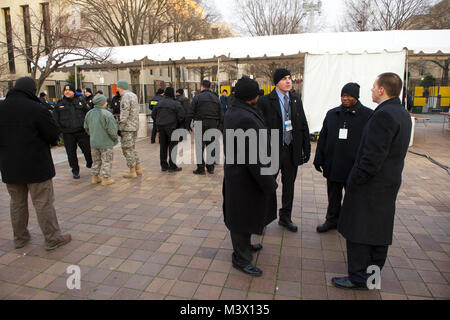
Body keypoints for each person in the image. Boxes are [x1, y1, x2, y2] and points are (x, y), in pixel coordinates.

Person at [332, 73, 412, 290]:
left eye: (373, 87)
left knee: (360, 231)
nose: (371, 90)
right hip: (388, 184)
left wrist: (355, 181)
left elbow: (372, 156)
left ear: (382, 90)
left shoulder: (383, 115)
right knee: (379, 232)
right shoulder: (402, 113)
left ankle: (358, 277)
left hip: (370, 186)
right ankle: (373, 277)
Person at [0, 77, 71, 250]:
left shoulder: (1, 108)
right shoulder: (36, 109)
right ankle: (52, 238)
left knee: (17, 203)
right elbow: (53, 134)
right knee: (43, 202)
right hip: (36, 165)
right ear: (31, 90)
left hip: (10, 166)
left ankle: (20, 238)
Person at [223, 76, 278, 276]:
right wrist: (268, 181)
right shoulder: (244, 117)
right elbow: (253, 156)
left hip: (241, 174)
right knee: (240, 217)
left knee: (244, 214)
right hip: (245, 176)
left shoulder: (237, 110)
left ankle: (245, 246)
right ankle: (241, 258)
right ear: (251, 97)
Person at [314, 83, 373, 233]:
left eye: (349, 96)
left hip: (354, 165)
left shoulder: (368, 115)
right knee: (333, 195)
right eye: (343, 95)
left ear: (356, 97)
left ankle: (350, 222)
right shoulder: (332, 114)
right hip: (334, 163)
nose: (345, 98)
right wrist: (319, 157)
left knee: (353, 196)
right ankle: (332, 219)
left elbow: (370, 142)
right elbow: (323, 137)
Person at [257, 68, 311, 233]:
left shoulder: (295, 99)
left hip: (291, 150)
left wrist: (306, 147)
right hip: (272, 150)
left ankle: (285, 217)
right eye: (284, 79)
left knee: (289, 185)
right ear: (276, 82)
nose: (288, 81)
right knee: (267, 184)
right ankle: (263, 219)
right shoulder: (265, 101)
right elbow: (260, 127)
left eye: (290, 78)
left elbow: (302, 124)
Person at [53, 83, 93, 179]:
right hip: (67, 133)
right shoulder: (60, 104)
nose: (67, 92)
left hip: (81, 132)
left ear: (73, 92)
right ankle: (75, 170)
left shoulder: (81, 102)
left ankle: (89, 162)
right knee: (71, 153)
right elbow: (55, 119)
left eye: (69, 90)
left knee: (87, 150)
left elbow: (88, 115)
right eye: (65, 90)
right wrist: (59, 131)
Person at [187, 79, 223, 175]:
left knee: (199, 146)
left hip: (200, 123)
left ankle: (200, 168)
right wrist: (220, 126)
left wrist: (187, 125)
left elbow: (190, 112)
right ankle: (210, 168)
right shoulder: (216, 98)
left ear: (202, 86)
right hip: (213, 123)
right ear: (209, 87)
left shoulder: (197, 97)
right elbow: (221, 114)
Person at [84, 94, 119, 186]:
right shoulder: (107, 114)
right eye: (105, 101)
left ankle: (95, 177)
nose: (107, 103)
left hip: (94, 142)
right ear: (102, 103)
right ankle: (105, 178)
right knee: (106, 160)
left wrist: (93, 135)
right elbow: (112, 130)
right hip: (105, 142)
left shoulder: (89, 113)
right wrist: (115, 139)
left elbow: (86, 127)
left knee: (96, 160)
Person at [152, 87, 184, 172]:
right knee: (173, 146)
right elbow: (181, 116)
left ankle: (163, 165)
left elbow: (153, 114)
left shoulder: (159, 103)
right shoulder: (176, 104)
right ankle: (172, 166)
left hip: (161, 127)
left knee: (163, 146)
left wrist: (158, 122)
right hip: (172, 127)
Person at [116, 79, 142, 178]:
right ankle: (138, 168)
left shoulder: (125, 97)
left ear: (120, 87)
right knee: (132, 148)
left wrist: (120, 127)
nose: (117, 89)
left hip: (127, 127)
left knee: (127, 149)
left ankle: (132, 171)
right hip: (134, 126)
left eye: (117, 87)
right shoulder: (133, 95)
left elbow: (124, 113)